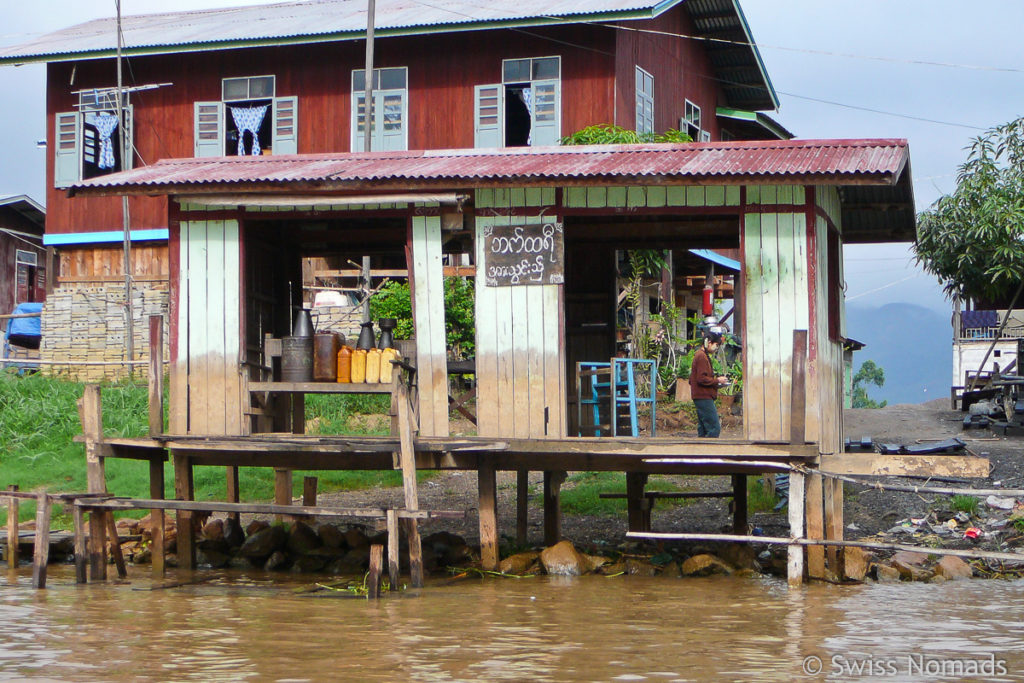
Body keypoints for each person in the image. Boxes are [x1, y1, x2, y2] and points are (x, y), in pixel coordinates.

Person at [689, 330, 730, 438]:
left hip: (701, 395)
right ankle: (710, 452)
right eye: (716, 345)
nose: (717, 348)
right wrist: (717, 381)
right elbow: (701, 378)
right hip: (703, 396)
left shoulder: (701, 355)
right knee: (714, 428)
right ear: (708, 343)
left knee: (703, 429)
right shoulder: (701, 357)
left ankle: (700, 452)